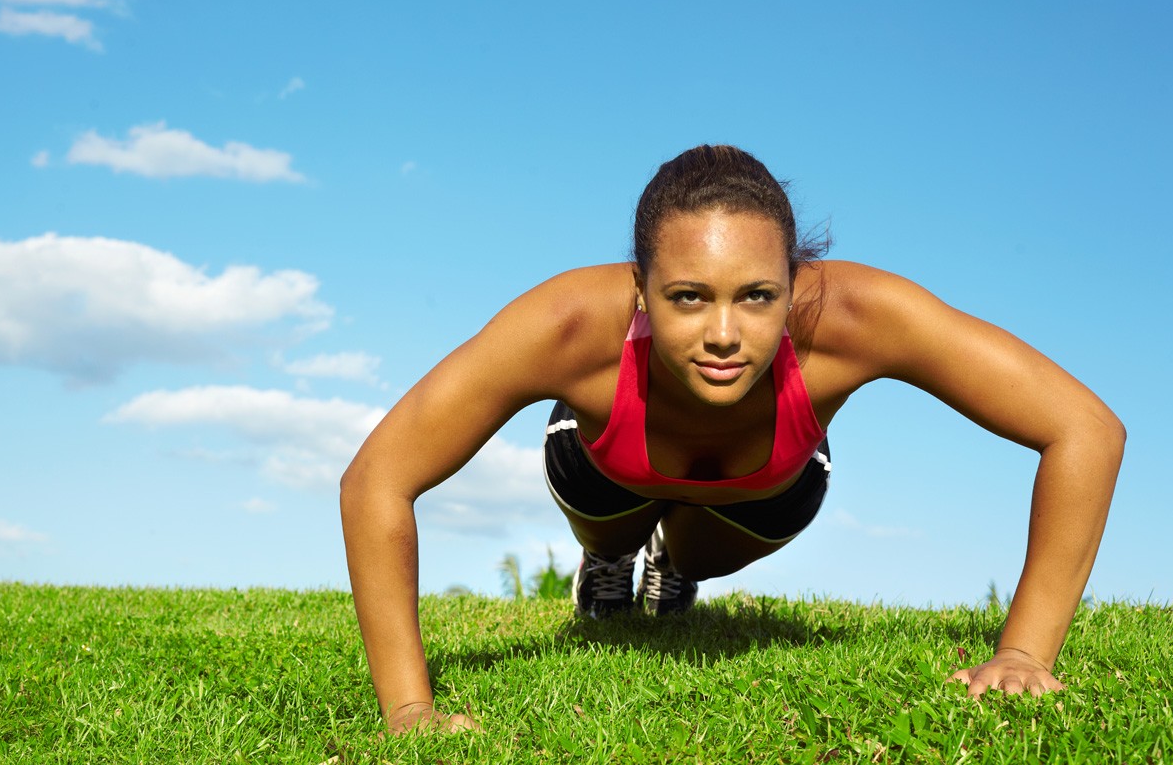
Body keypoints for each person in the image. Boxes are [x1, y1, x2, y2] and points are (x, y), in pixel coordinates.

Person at [339, 144, 1125, 734]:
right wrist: (410, 707)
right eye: (686, 297)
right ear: (639, 287)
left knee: (694, 555)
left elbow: (1084, 428)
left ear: (795, 280)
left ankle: (672, 568)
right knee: (609, 523)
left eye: (757, 296)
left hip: (765, 485)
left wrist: (1023, 653)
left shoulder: (856, 316)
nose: (723, 334)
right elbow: (377, 479)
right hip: (606, 465)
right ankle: (609, 562)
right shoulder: (566, 326)